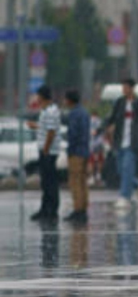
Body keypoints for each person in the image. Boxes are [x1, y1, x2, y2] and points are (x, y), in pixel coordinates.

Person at [104, 78, 138, 209]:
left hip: (134, 142)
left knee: (127, 168)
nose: (123, 89)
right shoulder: (119, 102)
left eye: (126, 87)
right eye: (122, 87)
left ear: (132, 88)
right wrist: (106, 127)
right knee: (120, 170)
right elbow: (111, 118)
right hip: (120, 141)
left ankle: (125, 197)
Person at [27, 85, 60, 222]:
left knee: (50, 182)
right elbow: (47, 128)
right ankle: (45, 208)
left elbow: (51, 132)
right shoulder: (46, 110)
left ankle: (51, 210)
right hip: (45, 150)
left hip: (49, 151)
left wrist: (46, 149)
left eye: (38, 95)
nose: (37, 98)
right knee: (45, 182)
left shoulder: (51, 111)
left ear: (42, 96)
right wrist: (36, 126)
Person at [63, 89, 90, 223]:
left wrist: (70, 150)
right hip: (85, 151)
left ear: (69, 100)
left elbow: (73, 133)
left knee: (75, 182)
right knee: (83, 182)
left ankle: (78, 210)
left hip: (76, 152)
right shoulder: (84, 113)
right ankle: (83, 209)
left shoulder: (73, 114)